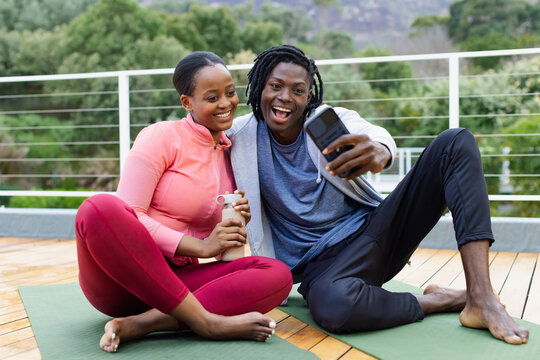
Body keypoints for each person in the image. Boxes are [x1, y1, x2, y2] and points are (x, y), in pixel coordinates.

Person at [226, 45, 529, 345]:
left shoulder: (327, 120)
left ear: (308, 97)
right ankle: (440, 301)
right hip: (322, 270)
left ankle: (481, 296)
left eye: (297, 90)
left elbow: (375, 135)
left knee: (455, 143)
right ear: (259, 88)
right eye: (275, 86)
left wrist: (379, 152)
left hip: (375, 234)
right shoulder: (239, 138)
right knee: (335, 307)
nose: (284, 98)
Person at [75, 51, 292, 353]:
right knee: (99, 208)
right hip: (122, 282)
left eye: (230, 93)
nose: (226, 103)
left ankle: (143, 324)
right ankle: (207, 322)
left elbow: (225, 260)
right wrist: (201, 247)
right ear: (187, 103)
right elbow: (130, 213)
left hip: (180, 282)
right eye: (212, 97)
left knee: (277, 273)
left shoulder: (234, 157)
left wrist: (235, 228)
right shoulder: (160, 137)